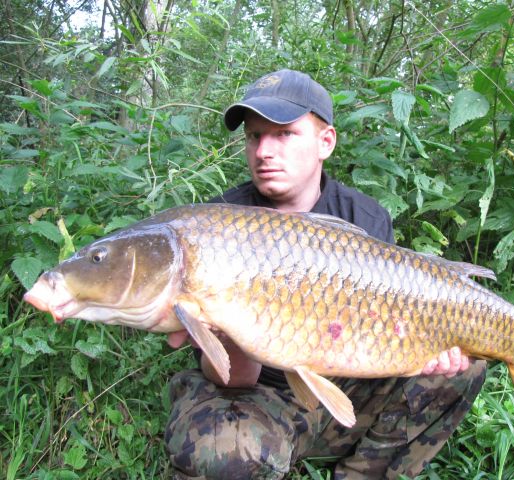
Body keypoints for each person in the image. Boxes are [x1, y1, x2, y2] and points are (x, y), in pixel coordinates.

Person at [164, 69, 487, 479]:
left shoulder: (366, 217)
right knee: (216, 454)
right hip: (261, 395)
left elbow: (383, 339)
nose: (264, 150)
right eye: (254, 136)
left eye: (283, 135)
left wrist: (428, 350)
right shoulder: (215, 227)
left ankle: (361, 471)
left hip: (344, 381)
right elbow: (233, 378)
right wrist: (230, 324)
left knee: (468, 366)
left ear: (325, 142)